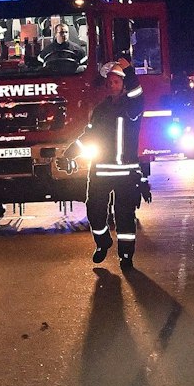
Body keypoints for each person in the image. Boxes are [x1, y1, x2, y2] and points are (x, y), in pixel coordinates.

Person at [79, 60, 148, 268]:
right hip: (100, 170)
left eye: (116, 81)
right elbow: (90, 134)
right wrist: (71, 151)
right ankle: (102, 242)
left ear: (123, 84)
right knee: (94, 211)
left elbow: (138, 92)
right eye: (109, 82)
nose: (111, 85)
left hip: (126, 173)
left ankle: (126, 256)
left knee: (125, 216)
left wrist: (128, 69)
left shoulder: (133, 106)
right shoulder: (101, 109)